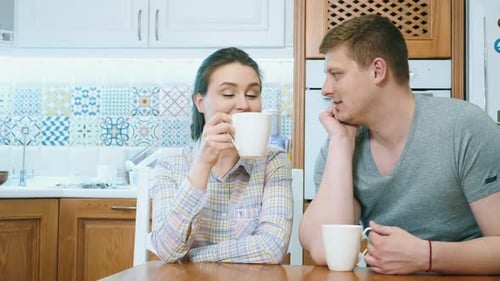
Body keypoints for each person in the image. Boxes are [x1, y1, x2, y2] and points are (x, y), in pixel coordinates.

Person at [299, 14, 500, 275]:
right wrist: (341, 142)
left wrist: (427, 256)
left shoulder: (464, 128)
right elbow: (323, 249)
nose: (326, 89)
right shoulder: (340, 147)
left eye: (336, 75)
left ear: (377, 71)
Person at [149, 47, 293, 264]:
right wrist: (202, 165)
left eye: (253, 94)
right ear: (199, 102)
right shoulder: (170, 164)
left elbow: (272, 248)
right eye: (228, 94)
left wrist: (193, 257)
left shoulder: (274, 161)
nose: (244, 104)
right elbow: (167, 251)